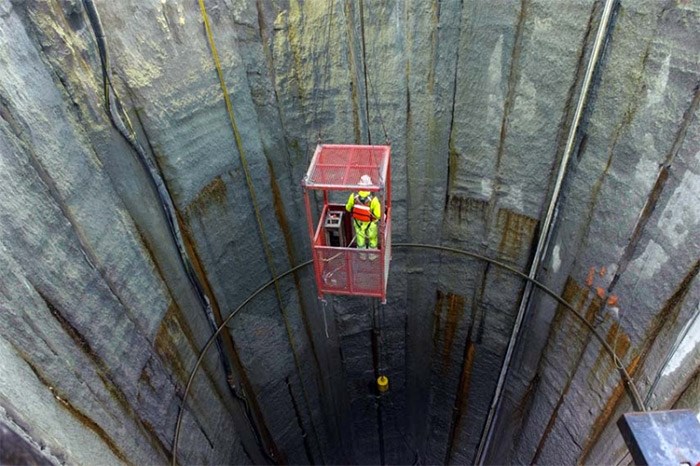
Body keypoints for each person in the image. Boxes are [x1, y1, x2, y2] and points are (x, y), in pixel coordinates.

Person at [346, 175, 381, 254]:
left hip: (358, 222)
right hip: (371, 223)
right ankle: (372, 254)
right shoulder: (374, 199)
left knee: (360, 238)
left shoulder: (353, 196)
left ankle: (362, 255)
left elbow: (348, 208)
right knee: (372, 238)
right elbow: (378, 215)